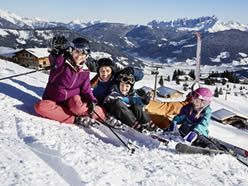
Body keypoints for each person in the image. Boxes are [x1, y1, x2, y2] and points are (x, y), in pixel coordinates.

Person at [34, 36, 106, 126]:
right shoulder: (61, 63)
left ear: (87, 56)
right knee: (40, 107)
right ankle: (76, 119)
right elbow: (53, 59)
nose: (79, 56)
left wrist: (92, 100)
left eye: (83, 54)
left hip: (71, 100)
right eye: (77, 52)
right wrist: (56, 52)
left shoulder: (85, 71)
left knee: (77, 106)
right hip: (53, 100)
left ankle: (103, 115)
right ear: (71, 51)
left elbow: (86, 89)